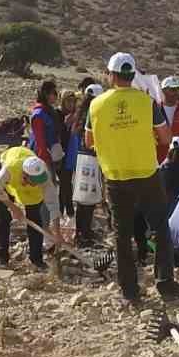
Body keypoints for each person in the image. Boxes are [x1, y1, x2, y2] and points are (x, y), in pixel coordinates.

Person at [86, 52, 179, 303]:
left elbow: (88, 141)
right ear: (132, 75)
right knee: (160, 228)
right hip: (146, 173)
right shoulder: (147, 102)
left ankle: (129, 290)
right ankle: (165, 283)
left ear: (111, 75)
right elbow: (165, 138)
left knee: (122, 234)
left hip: (115, 176)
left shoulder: (96, 105)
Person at [0, 147, 51, 270]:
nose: (36, 184)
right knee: (3, 217)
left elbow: (53, 203)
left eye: (38, 181)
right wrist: (13, 208)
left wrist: (56, 231)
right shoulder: (8, 169)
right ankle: (2, 257)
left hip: (26, 187)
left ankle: (37, 259)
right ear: (25, 175)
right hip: (6, 182)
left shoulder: (43, 174)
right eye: (33, 181)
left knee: (35, 219)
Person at [68, 84, 105, 246]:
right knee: (89, 198)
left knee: (83, 198)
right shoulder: (95, 114)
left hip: (81, 160)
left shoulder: (80, 115)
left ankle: (81, 232)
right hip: (92, 159)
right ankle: (84, 234)